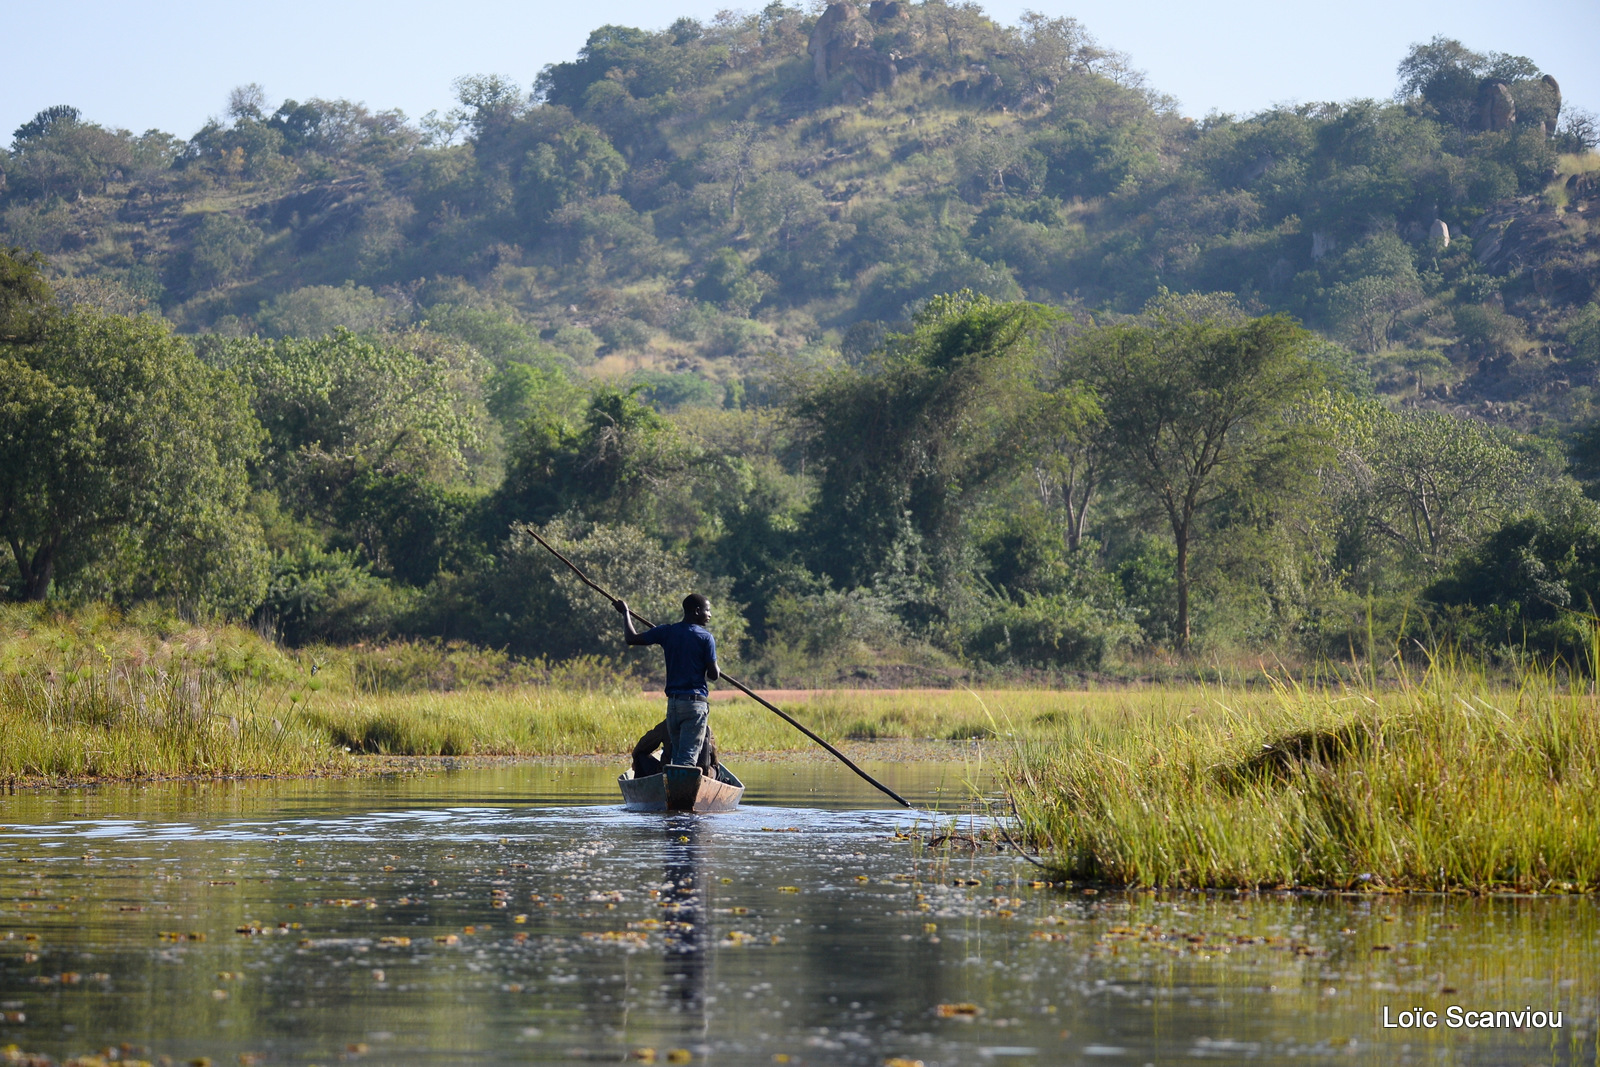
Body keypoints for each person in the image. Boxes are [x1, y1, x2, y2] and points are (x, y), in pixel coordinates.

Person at [617, 593, 720, 771]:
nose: (709, 614)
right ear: (697, 611)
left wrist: (625, 613)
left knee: (679, 755)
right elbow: (713, 675)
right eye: (707, 610)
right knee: (687, 761)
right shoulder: (705, 638)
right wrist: (714, 666)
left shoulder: (667, 632)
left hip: (673, 705)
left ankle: (673, 789)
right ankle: (679, 795)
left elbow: (631, 638)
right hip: (694, 706)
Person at [631, 719, 719, 779]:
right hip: (702, 774)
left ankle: (640, 794)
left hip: (667, 774)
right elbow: (714, 756)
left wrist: (635, 758)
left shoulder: (667, 724)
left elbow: (643, 746)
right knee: (716, 769)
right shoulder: (705, 727)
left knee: (640, 756)